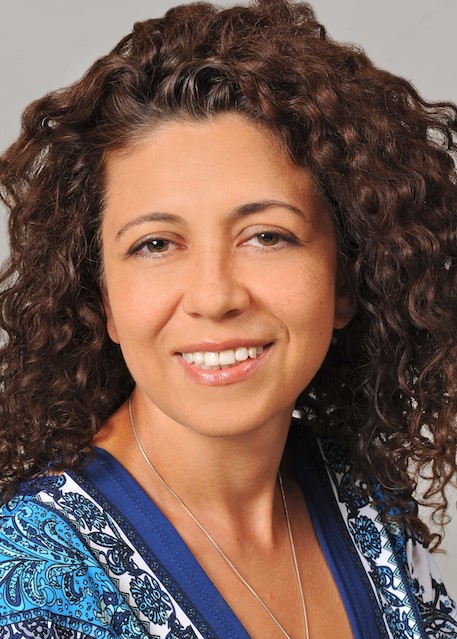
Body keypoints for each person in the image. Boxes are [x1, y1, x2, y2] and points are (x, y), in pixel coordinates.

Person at [0, 0, 456, 637]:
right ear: (103, 301)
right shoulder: (34, 582)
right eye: (155, 244)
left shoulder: (367, 502)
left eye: (267, 236)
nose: (214, 297)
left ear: (347, 279)